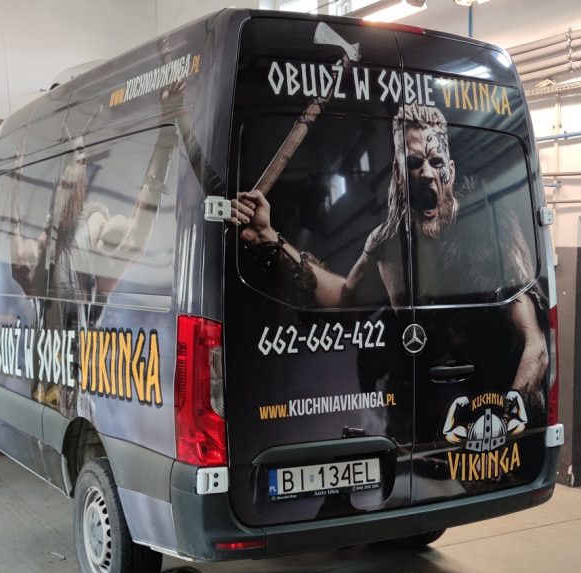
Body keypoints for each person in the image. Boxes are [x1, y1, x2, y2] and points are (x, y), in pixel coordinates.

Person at [231, 102, 548, 396]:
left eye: (436, 162)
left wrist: (508, 414)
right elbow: (345, 302)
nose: (427, 173)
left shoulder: (488, 227)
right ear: (398, 173)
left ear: (450, 170)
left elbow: (535, 345)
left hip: (485, 403)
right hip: (419, 402)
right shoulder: (386, 241)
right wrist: (266, 236)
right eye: (414, 163)